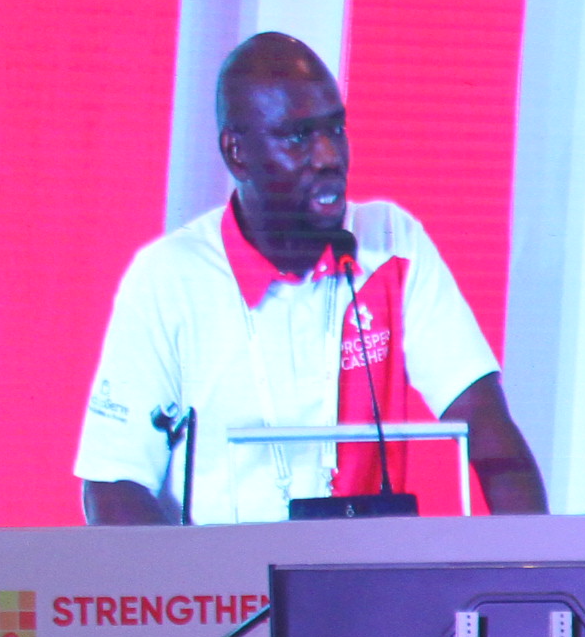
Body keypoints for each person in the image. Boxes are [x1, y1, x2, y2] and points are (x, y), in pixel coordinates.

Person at [77, 33, 546, 524]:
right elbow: (111, 485)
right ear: (237, 154)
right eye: (298, 137)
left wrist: (532, 564)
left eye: (335, 129)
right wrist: (189, 575)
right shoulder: (169, 277)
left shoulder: (391, 242)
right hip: (222, 571)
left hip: (367, 567)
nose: (329, 157)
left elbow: (487, 428)